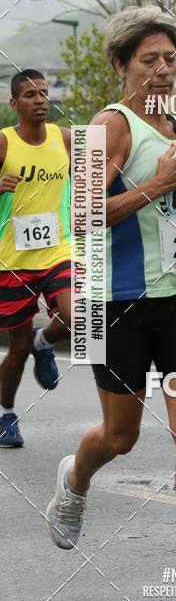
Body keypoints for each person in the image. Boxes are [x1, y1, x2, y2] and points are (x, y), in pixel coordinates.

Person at [45, 7, 176, 601]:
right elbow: (79, 218)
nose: (162, 71)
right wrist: (155, 187)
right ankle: (75, 478)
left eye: (169, 59)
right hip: (117, 301)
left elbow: (164, 212)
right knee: (120, 435)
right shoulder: (110, 127)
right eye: (148, 61)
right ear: (120, 66)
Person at [0, 70, 72, 448]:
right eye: (30, 95)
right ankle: (6, 414)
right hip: (13, 260)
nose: (41, 99)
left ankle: (47, 342)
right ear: (15, 104)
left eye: (44, 92)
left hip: (58, 251)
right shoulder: (3, 143)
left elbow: (108, 162)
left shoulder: (64, 139)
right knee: (18, 348)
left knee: (78, 317)